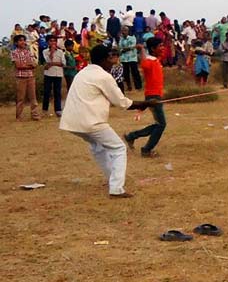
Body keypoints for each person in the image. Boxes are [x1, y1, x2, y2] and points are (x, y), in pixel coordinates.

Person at [59, 44, 153, 198]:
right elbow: (121, 102)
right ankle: (116, 189)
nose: (113, 62)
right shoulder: (103, 76)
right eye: (110, 58)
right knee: (119, 149)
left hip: (72, 122)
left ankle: (112, 180)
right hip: (91, 122)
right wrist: (145, 103)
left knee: (98, 146)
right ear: (103, 59)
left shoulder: (82, 73)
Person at [123, 37, 167, 158]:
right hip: (153, 96)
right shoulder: (149, 61)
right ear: (153, 49)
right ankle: (146, 149)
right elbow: (143, 64)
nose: (162, 48)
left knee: (159, 124)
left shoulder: (156, 60)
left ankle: (132, 136)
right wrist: (142, 50)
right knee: (161, 124)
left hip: (157, 95)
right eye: (160, 46)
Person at [12, 34, 40, 121]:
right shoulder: (14, 53)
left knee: (33, 97)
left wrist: (27, 65)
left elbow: (34, 64)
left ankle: (34, 115)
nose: (23, 42)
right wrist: (29, 65)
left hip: (30, 76)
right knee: (21, 98)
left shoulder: (28, 52)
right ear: (16, 43)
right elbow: (18, 66)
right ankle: (19, 116)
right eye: (20, 40)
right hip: (21, 77)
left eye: (24, 40)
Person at [42, 36, 65, 117]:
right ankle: (45, 110)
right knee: (47, 92)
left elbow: (63, 63)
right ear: (48, 42)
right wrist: (51, 53)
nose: (53, 43)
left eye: (54, 41)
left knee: (57, 92)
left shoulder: (60, 52)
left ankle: (58, 110)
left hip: (58, 74)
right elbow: (47, 61)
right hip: (48, 74)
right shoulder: (45, 51)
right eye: (51, 41)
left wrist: (52, 64)